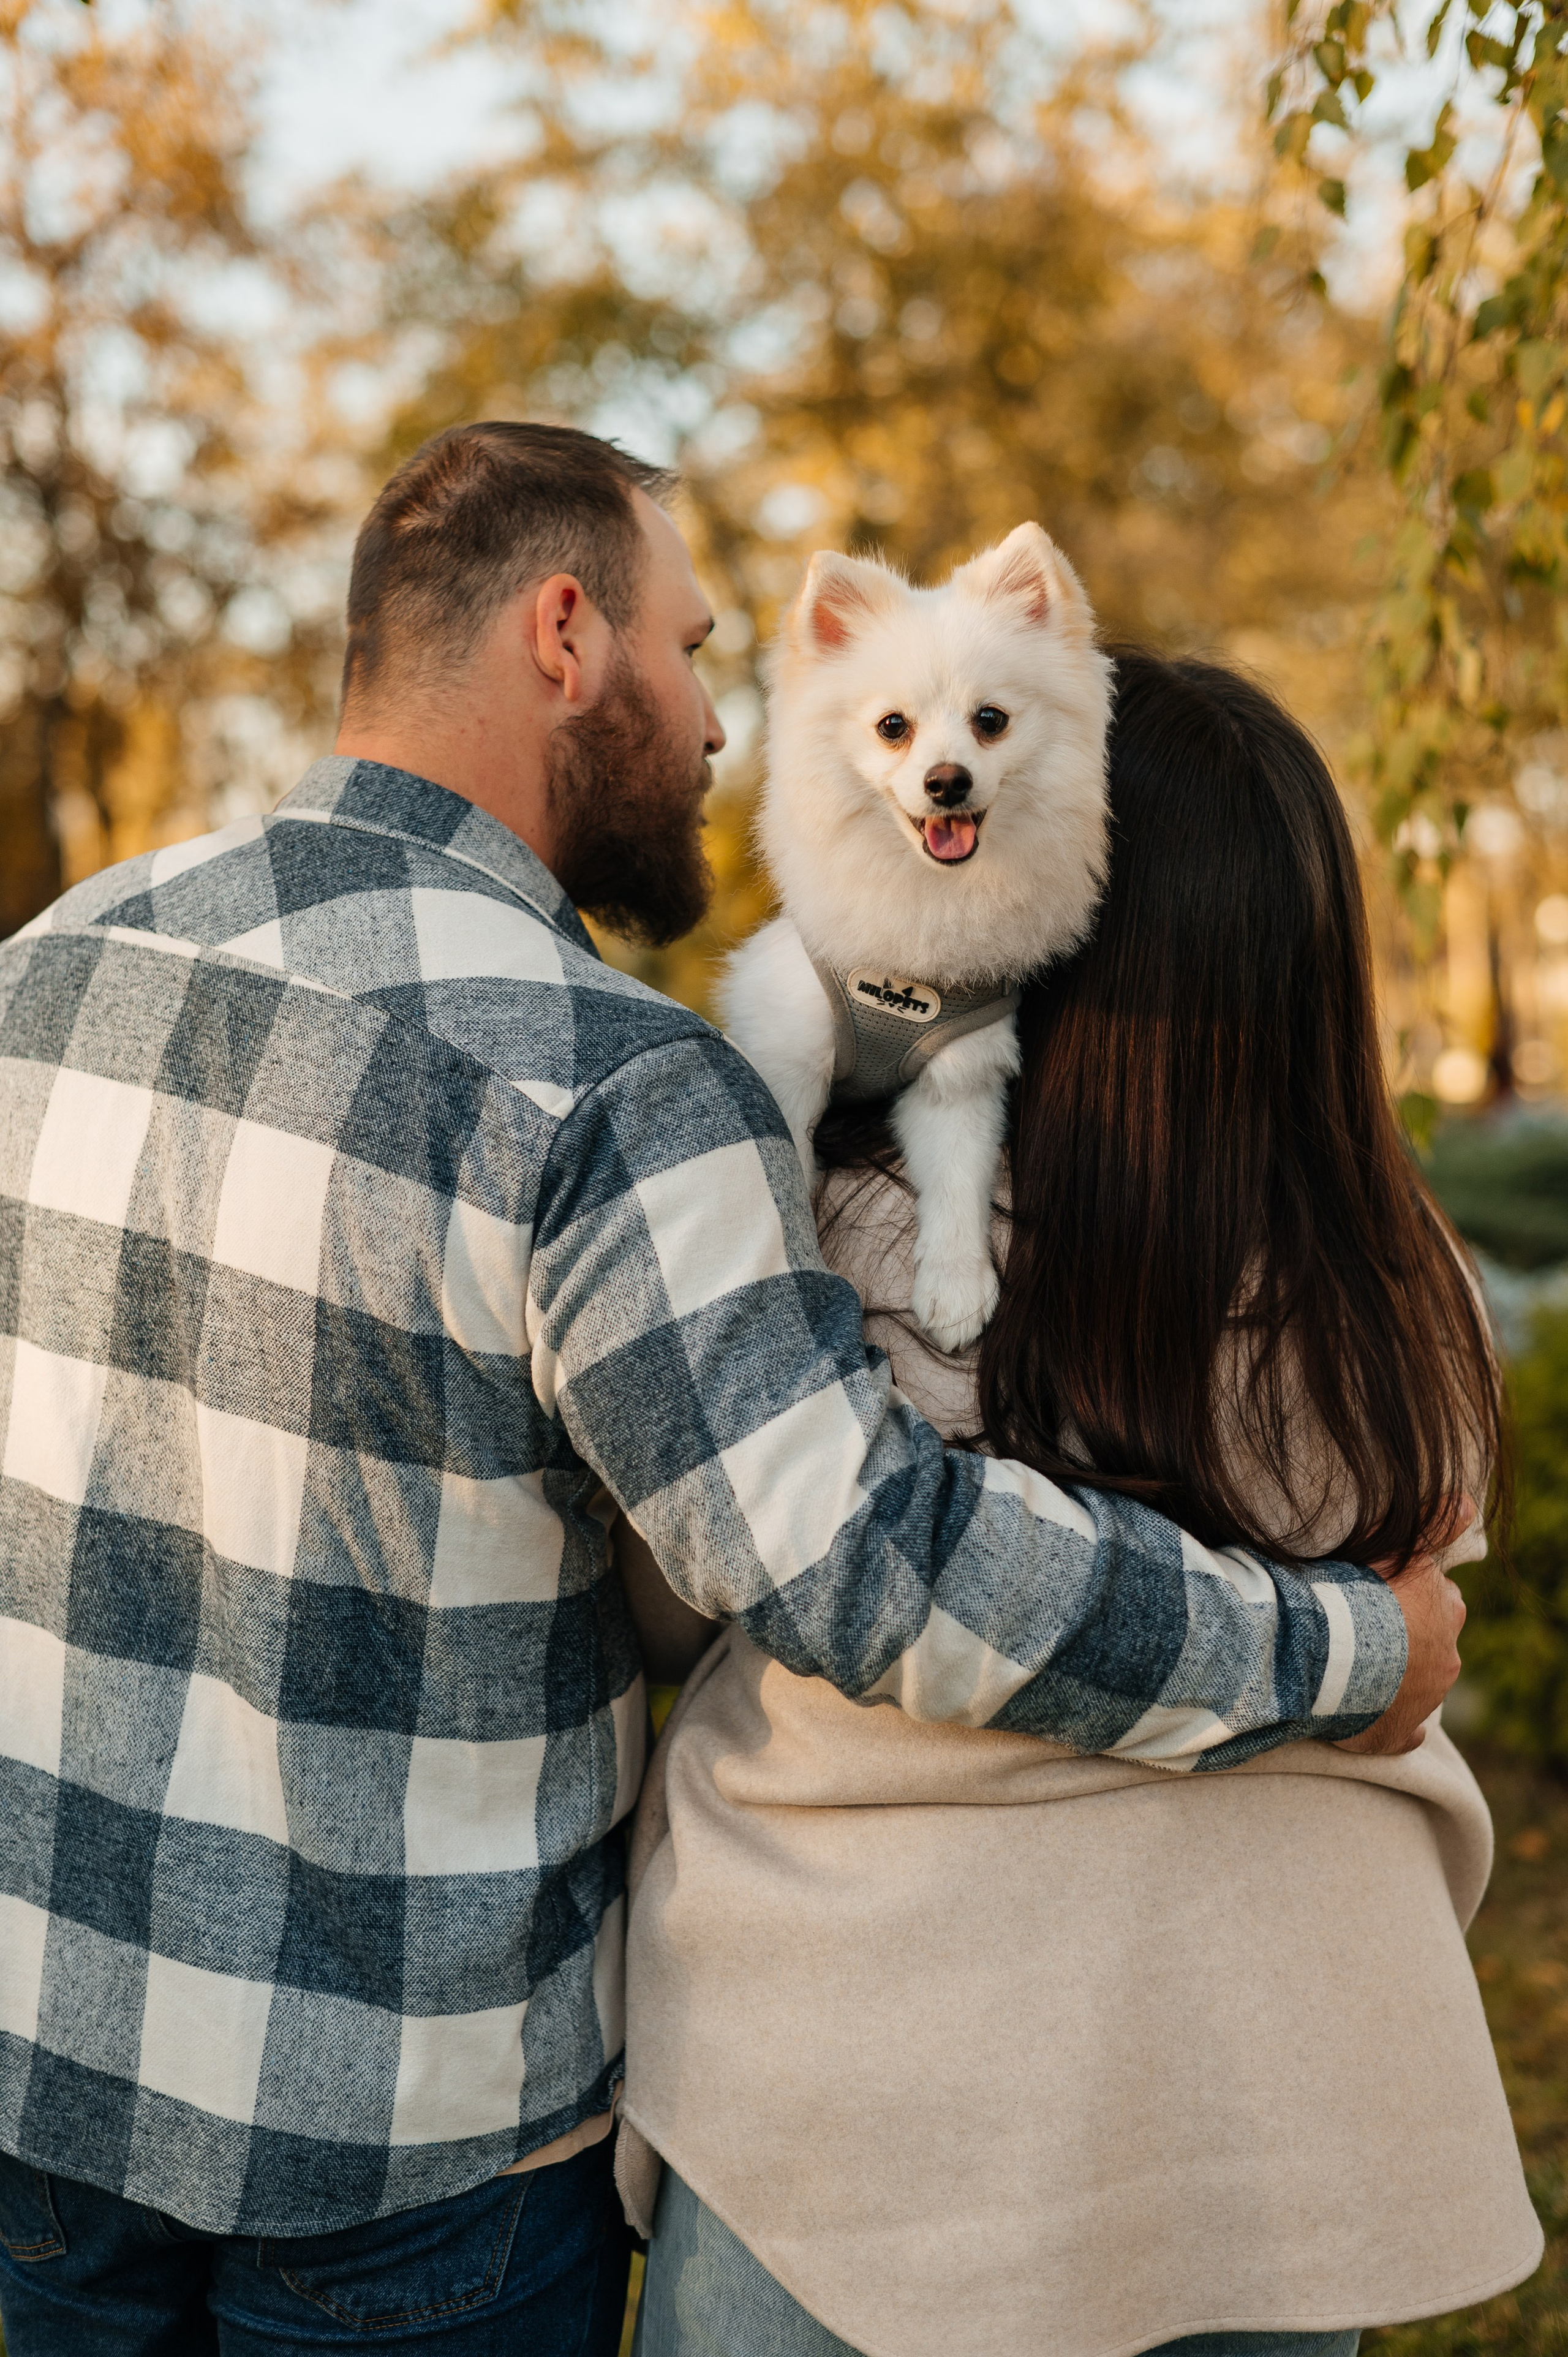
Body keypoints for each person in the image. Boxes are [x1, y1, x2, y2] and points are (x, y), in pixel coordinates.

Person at [0, 425, 1457, 2357]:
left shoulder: (53, 964)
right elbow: (862, 1567)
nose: (713, 727)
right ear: (566, 635)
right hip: (408, 2163)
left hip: (43, 2073)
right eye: (693, 651)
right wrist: (1344, 1652)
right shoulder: (608, 1079)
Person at [622, 651, 1543, 2357]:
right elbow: (1420, 1596)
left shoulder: (847, 1237)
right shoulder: (1393, 1295)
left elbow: (678, 1598)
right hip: (1272, 2118)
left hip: (860, 2111)